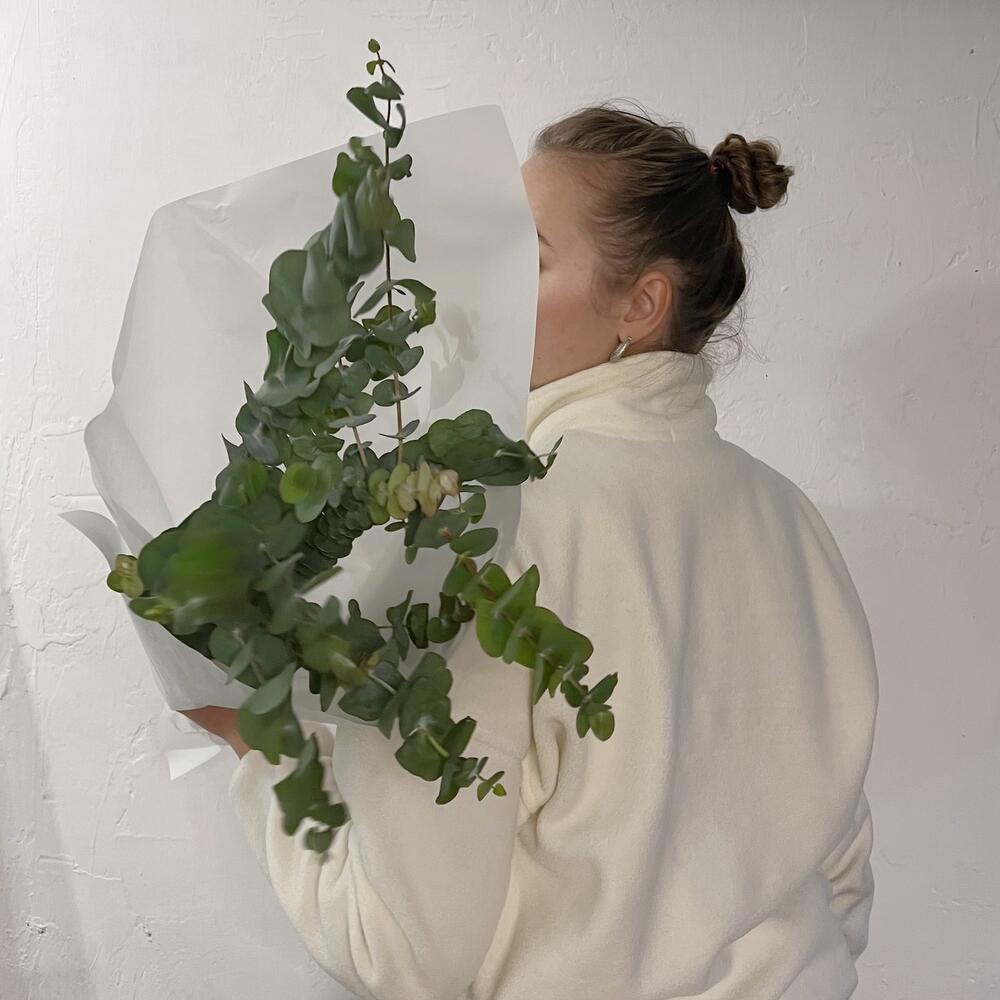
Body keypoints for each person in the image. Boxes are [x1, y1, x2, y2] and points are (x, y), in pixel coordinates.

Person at [188, 101, 879, 1000]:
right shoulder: (791, 519)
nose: (483, 282)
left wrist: (261, 744)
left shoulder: (478, 532)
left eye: (532, 256)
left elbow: (402, 952)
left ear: (642, 303)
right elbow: (842, 871)